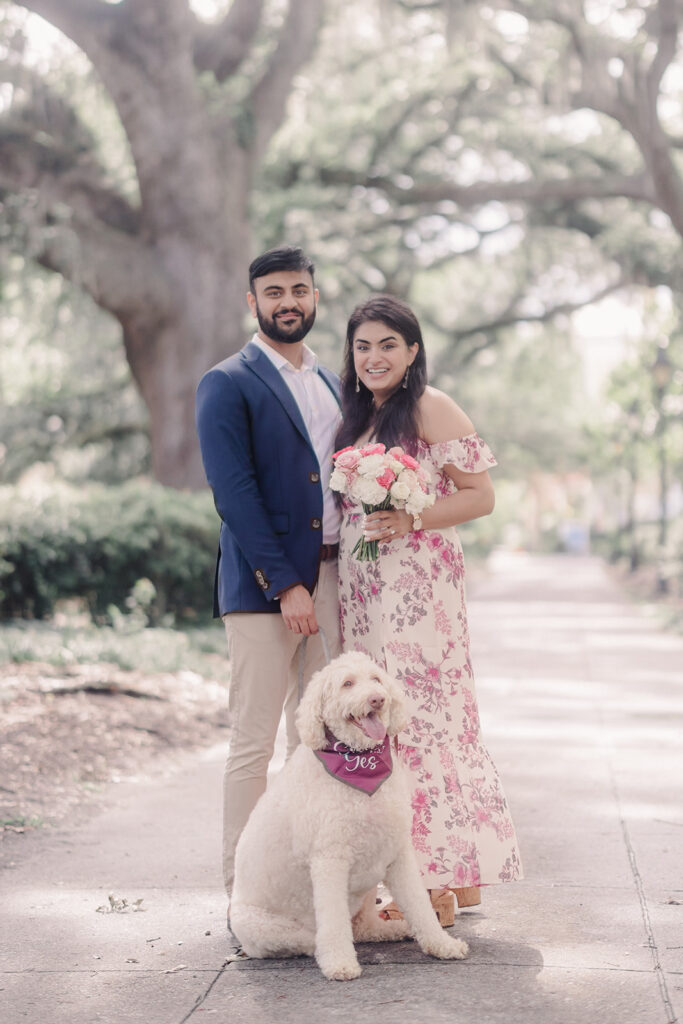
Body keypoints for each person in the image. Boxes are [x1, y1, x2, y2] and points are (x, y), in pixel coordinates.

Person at [335, 294, 522, 926]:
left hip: (418, 592)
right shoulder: (358, 416)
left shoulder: (429, 406)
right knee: (386, 721)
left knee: (418, 722)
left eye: (388, 344)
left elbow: (481, 496)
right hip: (366, 592)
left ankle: (434, 883)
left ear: (412, 351)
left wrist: (410, 517)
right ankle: (458, 875)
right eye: (363, 346)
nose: (374, 357)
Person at [195, 245, 342, 903]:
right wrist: (285, 585)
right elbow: (234, 492)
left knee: (315, 738)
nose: (290, 302)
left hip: (335, 581)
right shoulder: (226, 382)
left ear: (315, 297)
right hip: (263, 592)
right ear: (252, 303)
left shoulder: (335, 381)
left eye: (300, 290)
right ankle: (243, 891)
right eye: (275, 292)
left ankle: (304, 883)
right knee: (253, 743)